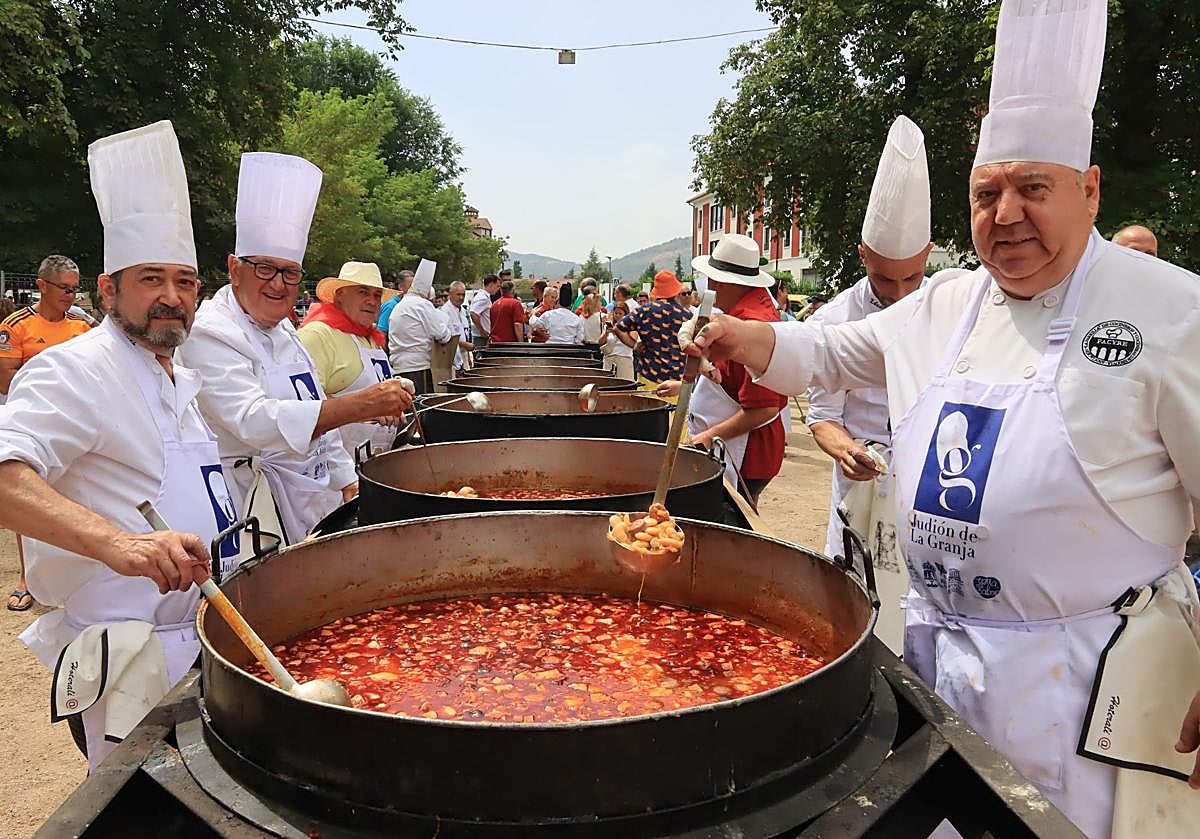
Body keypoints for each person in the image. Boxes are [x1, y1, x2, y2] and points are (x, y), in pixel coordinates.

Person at [687, 2, 1200, 834]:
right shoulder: (948, 304)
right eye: (987, 192)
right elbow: (832, 352)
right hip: (941, 670)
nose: (1007, 214)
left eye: (1034, 188)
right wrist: (744, 335)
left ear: (1090, 189)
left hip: (1088, 696)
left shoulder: (1172, 312)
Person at [3, 121, 230, 770]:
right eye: (151, 279)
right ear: (108, 290)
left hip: (205, 641)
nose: (171, 297)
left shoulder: (179, 376)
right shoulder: (72, 369)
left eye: (185, 281)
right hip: (129, 657)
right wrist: (120, 544)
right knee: (145, 806)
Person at [179, 152, 413, 563]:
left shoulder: (286, 330)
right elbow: (254, 421)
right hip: (251, 511)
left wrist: (345, 479)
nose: (278, 284)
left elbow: (315, 406)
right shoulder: (210, 331)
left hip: (312, 496)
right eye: (264, 268)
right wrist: (360, 405)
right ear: (234, 268)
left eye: (290, 272)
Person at [805, 114, 936, 654]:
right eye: (884, 277)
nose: (900, 292)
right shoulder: (834, 320)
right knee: (854, 613)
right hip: (859, 491)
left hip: (932, 496)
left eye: (912, 277)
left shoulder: (951, 310)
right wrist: (846, 449)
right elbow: (822, 416)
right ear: (862, 255)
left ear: (928, 256)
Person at [658, 235, 787, 503]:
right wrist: (686, 387)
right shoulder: (740, 311)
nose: (710, 285)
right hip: (730, 445)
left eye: (712, 278)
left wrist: (707, 437)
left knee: (733, 514)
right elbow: (728, 378)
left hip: (746, 453)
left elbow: (765, 408)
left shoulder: (754, 325)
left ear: (724, 282)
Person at [1, 254, 92, 612]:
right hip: (34, 427)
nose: (71, 296)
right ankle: (27, 579)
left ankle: (77, 577)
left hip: (77, 427)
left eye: (75, 289)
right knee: (31, 501)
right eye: (65, 289)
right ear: (42, 285)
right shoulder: (17, 326)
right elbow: (6, 378)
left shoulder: (82, 327)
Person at [298, 261, 401, 461]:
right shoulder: (317, 335)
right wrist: (366, 408)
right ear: (339, 295)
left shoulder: (371, 337)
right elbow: (303, 405)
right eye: (363, 292)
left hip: (374, 460)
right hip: (334, 466)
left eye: (377, 295)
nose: (372, 301)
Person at [615, 270, 690, 398]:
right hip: (677, 382)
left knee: (649, 410)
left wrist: (634, 345)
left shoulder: (643, 311)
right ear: (676, 291)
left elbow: (619, 328)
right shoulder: (687, 316)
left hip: (649, 376)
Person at [388, 259, 453, 394]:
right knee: (421, 403)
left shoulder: (401, 304)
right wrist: (447, 331)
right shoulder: (422, 304)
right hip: (417, 367)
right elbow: (442, 334)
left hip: (398, 367)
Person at [439, 280, 474, 377]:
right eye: (458, 294)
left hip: (464, 355)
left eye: (463, 295)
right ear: (450, 294)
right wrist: (463, 344)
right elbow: (445, 336)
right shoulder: (445, 312)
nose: (461, 297)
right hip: (452, 357)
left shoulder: (463, 311)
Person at [600, 300, 635, 380]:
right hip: (609, 359)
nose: (618, 316)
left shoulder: (631, 326)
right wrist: (606, 333)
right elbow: (600, 342)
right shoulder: (609, 325)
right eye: (616, 313)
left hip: (624, 358)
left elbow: (633, 341)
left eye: (620, 314)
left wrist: (619, 331)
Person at [488, 279, 526, 343]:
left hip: (495, 342)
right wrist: (521, 343)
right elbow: (517, 325)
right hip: (510, 343)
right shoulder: (515, 303)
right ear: (513, 290)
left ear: (501, 291)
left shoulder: (494, 304)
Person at [468, 274, 501, 349]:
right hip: (481, 337)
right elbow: (473, 313)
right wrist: (482, 330)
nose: (498, 289)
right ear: (491, 284)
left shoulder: (483, 296)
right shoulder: (483, 298)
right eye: (497, 286)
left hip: (481, 336)